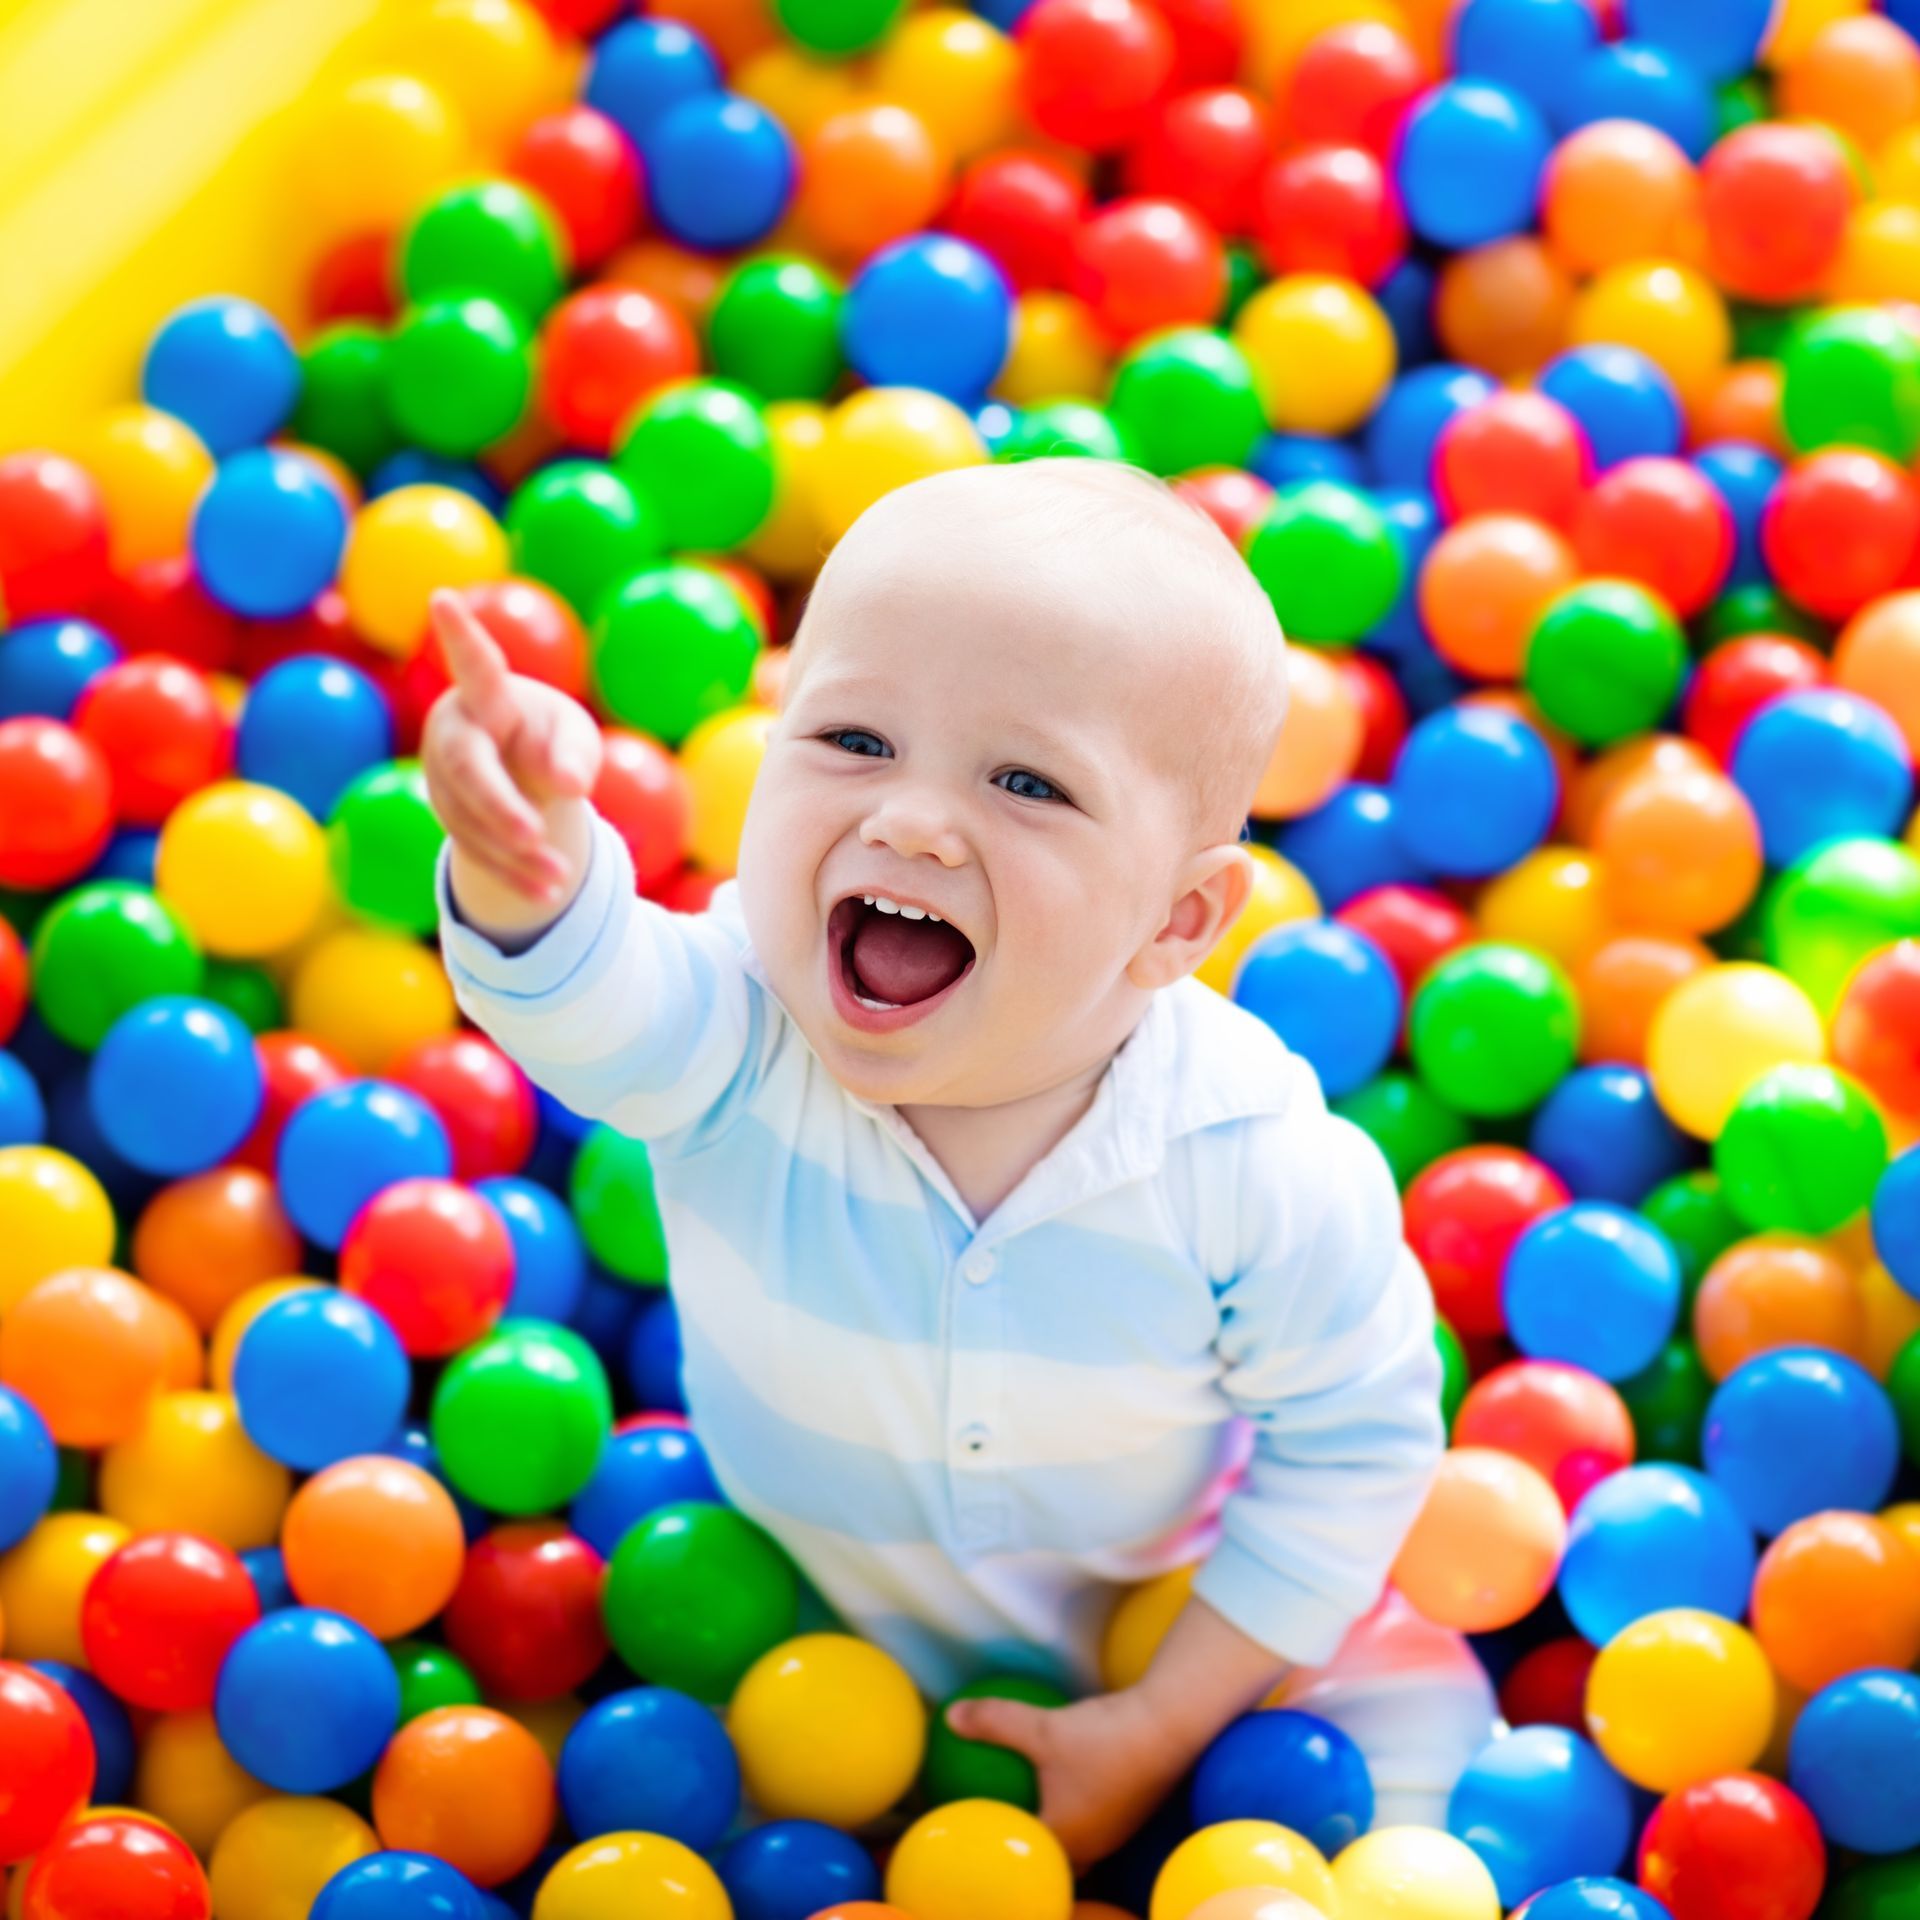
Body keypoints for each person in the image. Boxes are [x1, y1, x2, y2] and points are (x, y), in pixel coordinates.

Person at [425, 459, 1491, 1869]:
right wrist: (531, 869)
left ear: (1178, 920)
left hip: (1170, 1601)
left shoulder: (1246, 1160)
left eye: (1028, 782)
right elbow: (593, 1000)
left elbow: (1354, 1440)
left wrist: (1169, 1718)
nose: (913, 819)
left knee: (1416, 1755)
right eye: (855, 741)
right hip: (794, 1621)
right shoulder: (741, 1025)